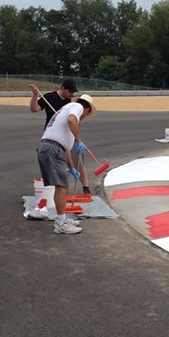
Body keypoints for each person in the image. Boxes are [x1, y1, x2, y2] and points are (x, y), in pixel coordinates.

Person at [36, 94, 96, 234]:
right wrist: (79, 140)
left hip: (50, 148)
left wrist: (72, 168)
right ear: (86, 109)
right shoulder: (77, 107)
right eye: (86, 115)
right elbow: (71, 120)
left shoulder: (65, 110)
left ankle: (61, 218)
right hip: (52, 149)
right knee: (62, 187)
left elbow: (66, 148)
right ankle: (61, 224)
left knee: (62, 185)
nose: (83, 117)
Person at [29, 79, 91, 194]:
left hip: (67, 134)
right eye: (70, 91)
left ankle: (85, 187)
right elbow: (34, 109)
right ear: (63, 88)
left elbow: (72, 119)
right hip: (54, 135)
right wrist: (34, 96)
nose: (72, 95)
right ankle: (58, 191)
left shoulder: (69, 101)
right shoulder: (49, 97)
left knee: (78, 161)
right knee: (59, 164)